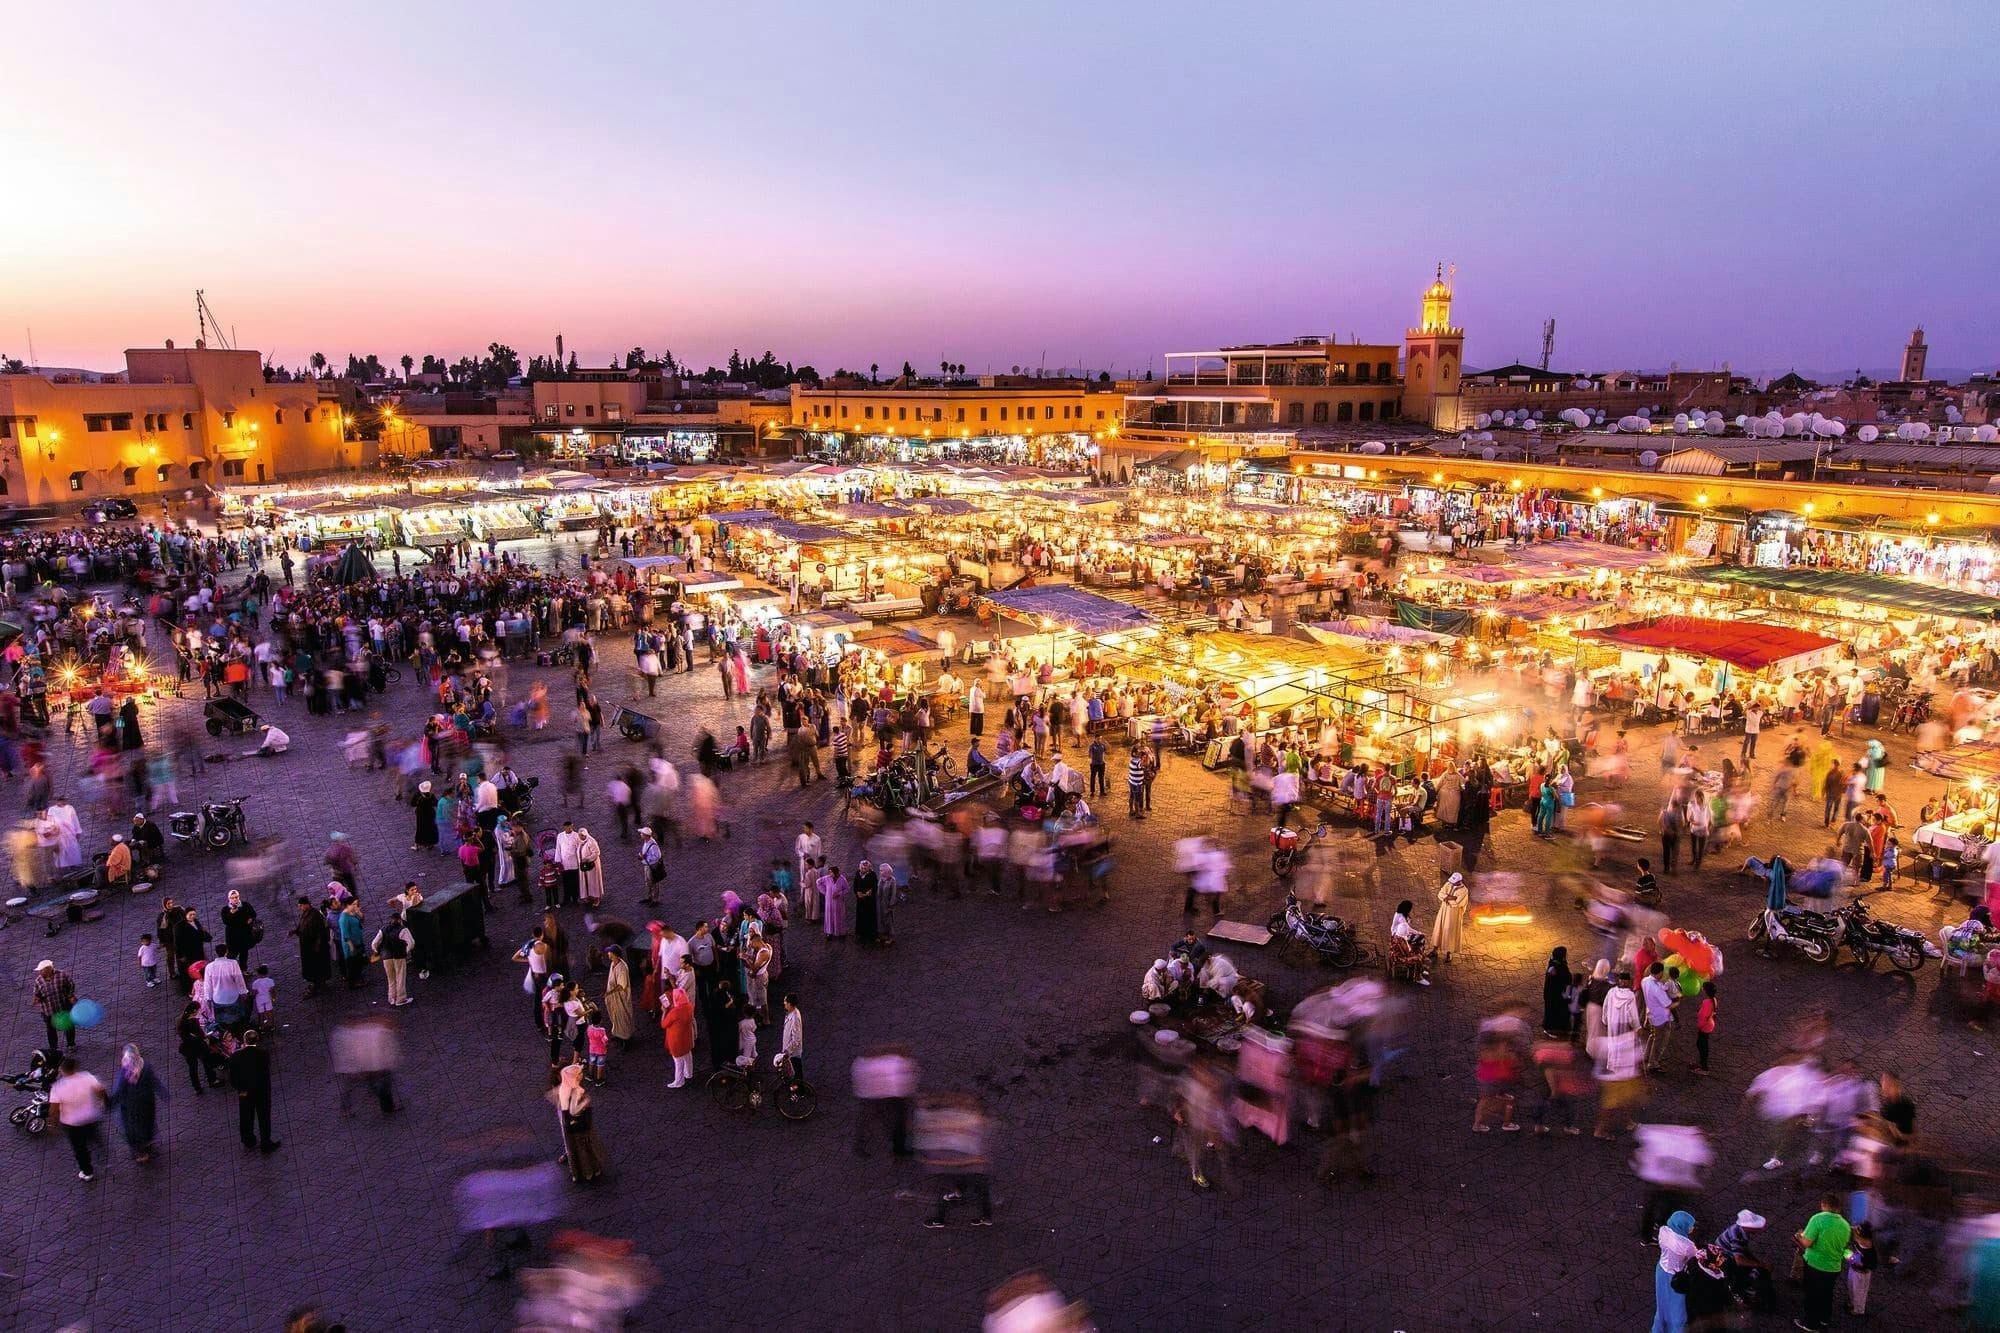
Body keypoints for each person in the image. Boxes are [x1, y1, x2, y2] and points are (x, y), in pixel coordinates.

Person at [1796, 1194, 1851, 1331]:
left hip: (1815, 1265)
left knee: (1812, 1294)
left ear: (1823, 1205)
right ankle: (1824, 1319)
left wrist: (1800, 1236)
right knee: (1827, 1294)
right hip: (1833, 1268)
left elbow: (1807, 1243)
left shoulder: (1817, 1219)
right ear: (1838, 1208)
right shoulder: (1846, 1225)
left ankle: (1810, 1324)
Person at [49, 1056, 106, 1182]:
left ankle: (87, 1172)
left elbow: (53, 1109)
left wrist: (52, 1123)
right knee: (93, 1135)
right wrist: (102, 1101)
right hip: (91, 1117)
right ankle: (100, 1150)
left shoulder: (58, 1087)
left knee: (79, 1148)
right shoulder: (87, 1077)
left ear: (62, 1070)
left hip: (72, 1123)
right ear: (75, 1068)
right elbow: (101, 1090)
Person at [107, 1043, 166, 1163]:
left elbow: (119, 1090)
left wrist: (110, 1104)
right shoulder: (146, 1066)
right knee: (147, 1123)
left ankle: (141, 1152)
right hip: (147, 1102)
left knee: (132, 1128)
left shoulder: (125, 1072)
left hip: (130, 1105)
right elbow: (155, 1081)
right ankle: (148, 1143)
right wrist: (163, 1093)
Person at [553, 1063, 606, 1183]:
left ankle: (577, 1174)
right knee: (585, 1148)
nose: (580, 1076)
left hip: (568, 1125)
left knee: (573, 1149)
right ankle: (590, 1171)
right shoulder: (577, 1091)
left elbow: (563, 1106)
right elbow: (574, 1110)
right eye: (577, 1075)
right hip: (579, 1124)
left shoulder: (563, 1089)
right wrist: (585, 1102)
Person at [227, 1028, 279, 1152]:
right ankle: (265, 1142)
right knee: (264, 1116)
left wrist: (240, 1088)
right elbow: (265, 1073)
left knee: (245, 1115)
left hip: (244, 1091)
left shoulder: (235, 1056)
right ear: (257, 1040)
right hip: (261, 1091)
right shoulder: (263, 1053)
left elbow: (232, 1077)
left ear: (244, 1040)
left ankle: (248, 1140)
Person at [1651, 1210, 1698, 1333]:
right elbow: (1694, 1257)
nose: (1692, 1228)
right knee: (1678, 1307)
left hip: (1661, 1270)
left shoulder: (1663, 1231)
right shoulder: (1688, 1245)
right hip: (1677, 1277)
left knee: (1662, 1304)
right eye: (1690, 1226)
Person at [32, 959, 77, 1054]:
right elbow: (37, 993)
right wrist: (37, 998)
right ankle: (53, 1048)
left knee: (68, 1025)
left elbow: (71, 985)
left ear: (48, 969)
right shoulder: (38, 981)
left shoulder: (62, 975)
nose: (40, 973)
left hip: (63, 1007)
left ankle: (71, 1044)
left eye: (42, 970)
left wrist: (70, 995)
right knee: (51, 1029)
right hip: (48, 1010)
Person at [372, 911, 415, 1007]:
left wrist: (377, 951)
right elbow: (411, 943)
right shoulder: (403, 930)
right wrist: (406, 951)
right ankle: (401, 999)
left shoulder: (383, 929)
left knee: (390, 978)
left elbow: (374, 943)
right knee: (400, 977)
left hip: (386, 957)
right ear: (400, 920)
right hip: (399, 956)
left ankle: (391, 998)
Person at [660, 981, 694, 1089]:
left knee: (678, 1061)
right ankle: (689, 1073)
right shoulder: (689, 1006)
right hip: (687, 1036)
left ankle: (679, 1081)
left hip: (676, 1039)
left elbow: (663, 1024)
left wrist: (664, 1011)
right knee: (687, 1055)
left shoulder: (674, 1012)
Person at [1431, 872, 1468, 963]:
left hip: (1453, 914)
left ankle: (1449, 953)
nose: (1452, 883)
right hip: (1443, 910)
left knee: (1450, 931)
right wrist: (1451, 897)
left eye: (1454, 882)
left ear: (1459, 881)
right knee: (1439, 928)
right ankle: (1435, 950)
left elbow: (1458, 903)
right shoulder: (1448, 884)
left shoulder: (1464, 891)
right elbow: (1440, 894)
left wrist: (1446, 898)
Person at [1541, 946, 1571, 1036]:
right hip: (1555, 996)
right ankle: (1552, 1029)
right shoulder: (1555, 967)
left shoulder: (1556, 964)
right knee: (1555, 1012)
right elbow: (1558, 981)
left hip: (1556, 995)